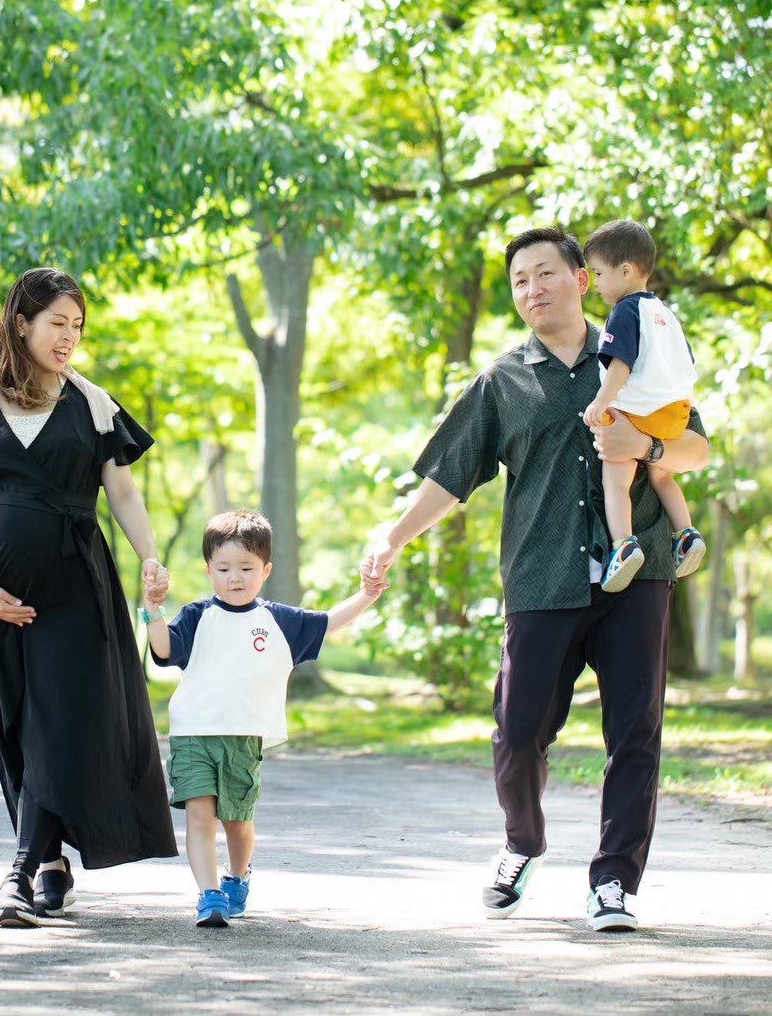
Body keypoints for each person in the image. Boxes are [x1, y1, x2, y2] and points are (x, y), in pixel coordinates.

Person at [362, 227, 711, 932]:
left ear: (583, 279)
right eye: (520, 281)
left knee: (635, 736)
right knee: (518, 733)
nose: (532, 290)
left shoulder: (639, 353)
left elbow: (697, 449)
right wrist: (392, 536)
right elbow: (450, 478)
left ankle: (614, 885)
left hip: (636, 574)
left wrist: (645, 445)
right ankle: (522, 844)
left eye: (545, 273)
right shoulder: (503, 381)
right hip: (540, 577)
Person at [0, 266, 178, 930]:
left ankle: (16, 877)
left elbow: (123, 492)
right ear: (21, 324)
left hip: (75, 593)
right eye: (57, 323)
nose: (69, 337)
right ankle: (50, 865)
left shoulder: (93, 406)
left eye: (78, 326)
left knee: (57, 727)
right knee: (17, 730)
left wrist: (150, 558)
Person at [141, 510, 384, 928]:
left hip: (243, 738)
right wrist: (153, 609)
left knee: (237, 823)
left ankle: (237, 876)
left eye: (246, 568)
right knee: (199, 816)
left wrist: (367, 595)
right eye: (223, 569)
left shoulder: (279, 621)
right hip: (193, 734)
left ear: (266, 570)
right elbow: (164, 650)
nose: (235, 578)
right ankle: (209, 895)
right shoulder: (197, 616)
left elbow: (329, 622)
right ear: (209, 570)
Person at [579, 219, 705, 592]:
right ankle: (686, 533)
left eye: (599, 273)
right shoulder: (665, 314)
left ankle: (623, 545)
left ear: (626, 271)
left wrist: (601, 401)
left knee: (616, 478)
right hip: (675, 413)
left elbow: (621, 362)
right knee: (661, 474)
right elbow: (685, 361)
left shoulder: (624, 311)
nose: (596, 283)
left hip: (638, 413)